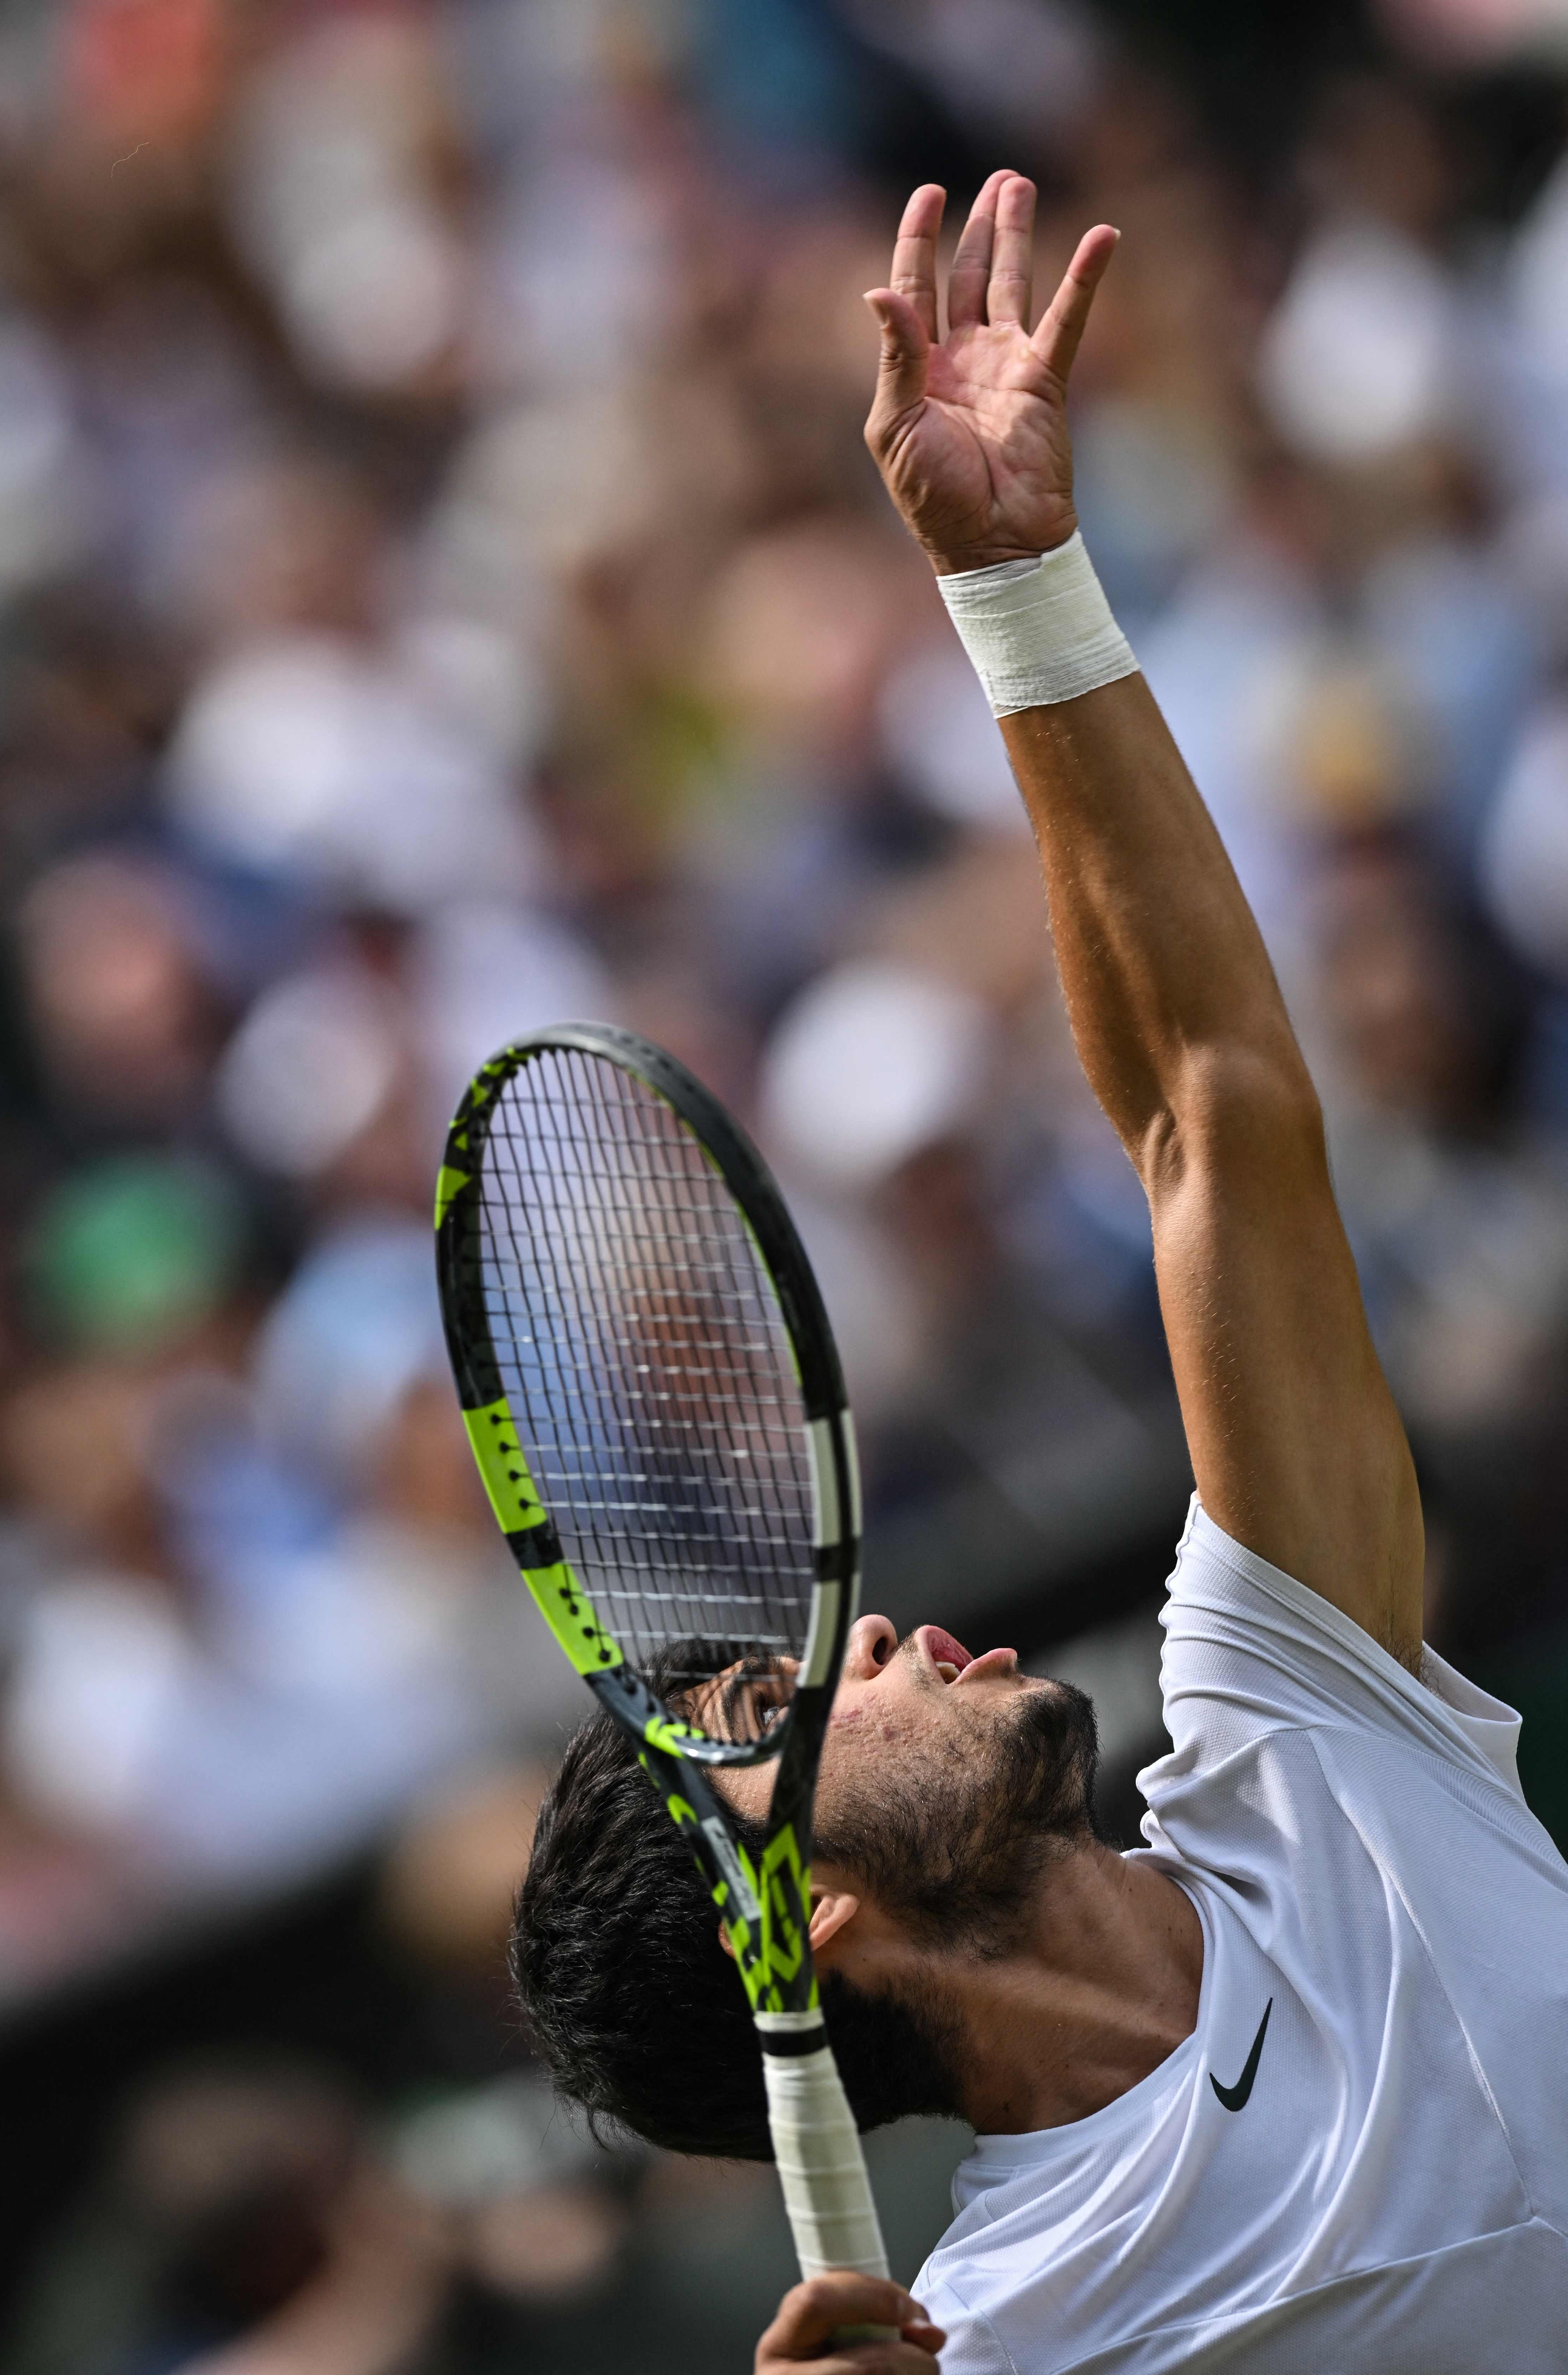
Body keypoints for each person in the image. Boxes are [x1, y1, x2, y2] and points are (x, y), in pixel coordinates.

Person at [512, 174, 1568, 2373]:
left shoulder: (1303, 1724)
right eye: (791, 1713)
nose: (866, 1631)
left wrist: (1017, 590)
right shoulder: (999, 2347)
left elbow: (1214, 1103)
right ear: (815, 1924)